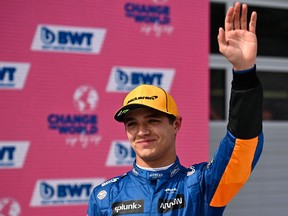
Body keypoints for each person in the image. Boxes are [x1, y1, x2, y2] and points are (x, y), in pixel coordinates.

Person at [87, 2, 264, 215]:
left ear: (176, 124)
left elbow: (241, 144)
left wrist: (244, 73)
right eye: (132, 124)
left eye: (153, 120)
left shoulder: (201, 186)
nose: (142, 131)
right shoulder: (105, 197)